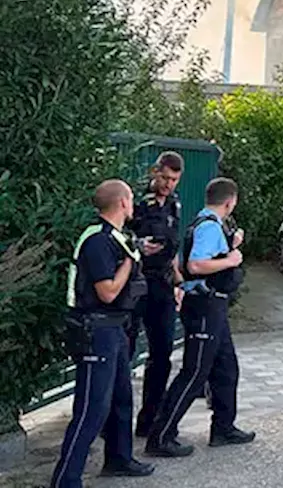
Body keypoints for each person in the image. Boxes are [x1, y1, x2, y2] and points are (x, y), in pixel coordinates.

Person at [50, 180, 155, 486]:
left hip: (115, 328)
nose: (134, 204)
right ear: (122, 202)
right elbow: (107, 291)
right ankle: (66, 479)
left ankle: (119, 458)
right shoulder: (97, 240)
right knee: (91, 408)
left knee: (121, 398)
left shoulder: (116, 238)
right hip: (97, 329)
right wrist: (129, 262)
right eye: (131, 199)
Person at [145, 177, 254, 458]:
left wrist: (231, 244)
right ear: (231, 201)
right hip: (204, 305)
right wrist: (231, 260)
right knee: (194, 373)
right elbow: (195, 263)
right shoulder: (207, 227)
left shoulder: (207, 223)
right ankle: (160, 435)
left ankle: (223, 427)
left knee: (226, 367)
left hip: (213, 306)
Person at [126, 152, 184, 438]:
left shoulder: (174, 204)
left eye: (173, 180)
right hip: (135, 284)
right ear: (154, 172)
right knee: (123, 353)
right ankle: (110, 422)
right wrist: (138, 246)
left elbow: (172, 245)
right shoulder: (136, 202)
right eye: (164, 177)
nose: (168, 184)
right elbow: (118, 238)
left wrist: (178, 281)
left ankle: (148, 420)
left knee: (161, 354)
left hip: (161, 284)